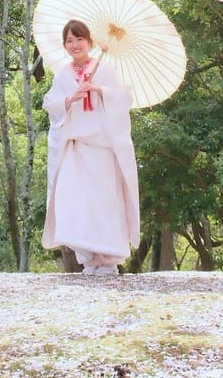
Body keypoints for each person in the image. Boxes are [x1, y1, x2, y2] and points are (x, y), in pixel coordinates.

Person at [42, 19, 140, 275]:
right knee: (73, 199)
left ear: (89, 42)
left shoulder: (104, 70)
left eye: (79, 39)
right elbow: (49, 103)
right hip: (75, 148)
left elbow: (123, 98)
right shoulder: (64, 74)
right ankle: (88, 257)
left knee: (103, 201)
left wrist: (99, 90)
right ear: (64, 45)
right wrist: (67, 99)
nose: (75, 45)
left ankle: (108, 258)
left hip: (101, 147)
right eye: (70, 41)